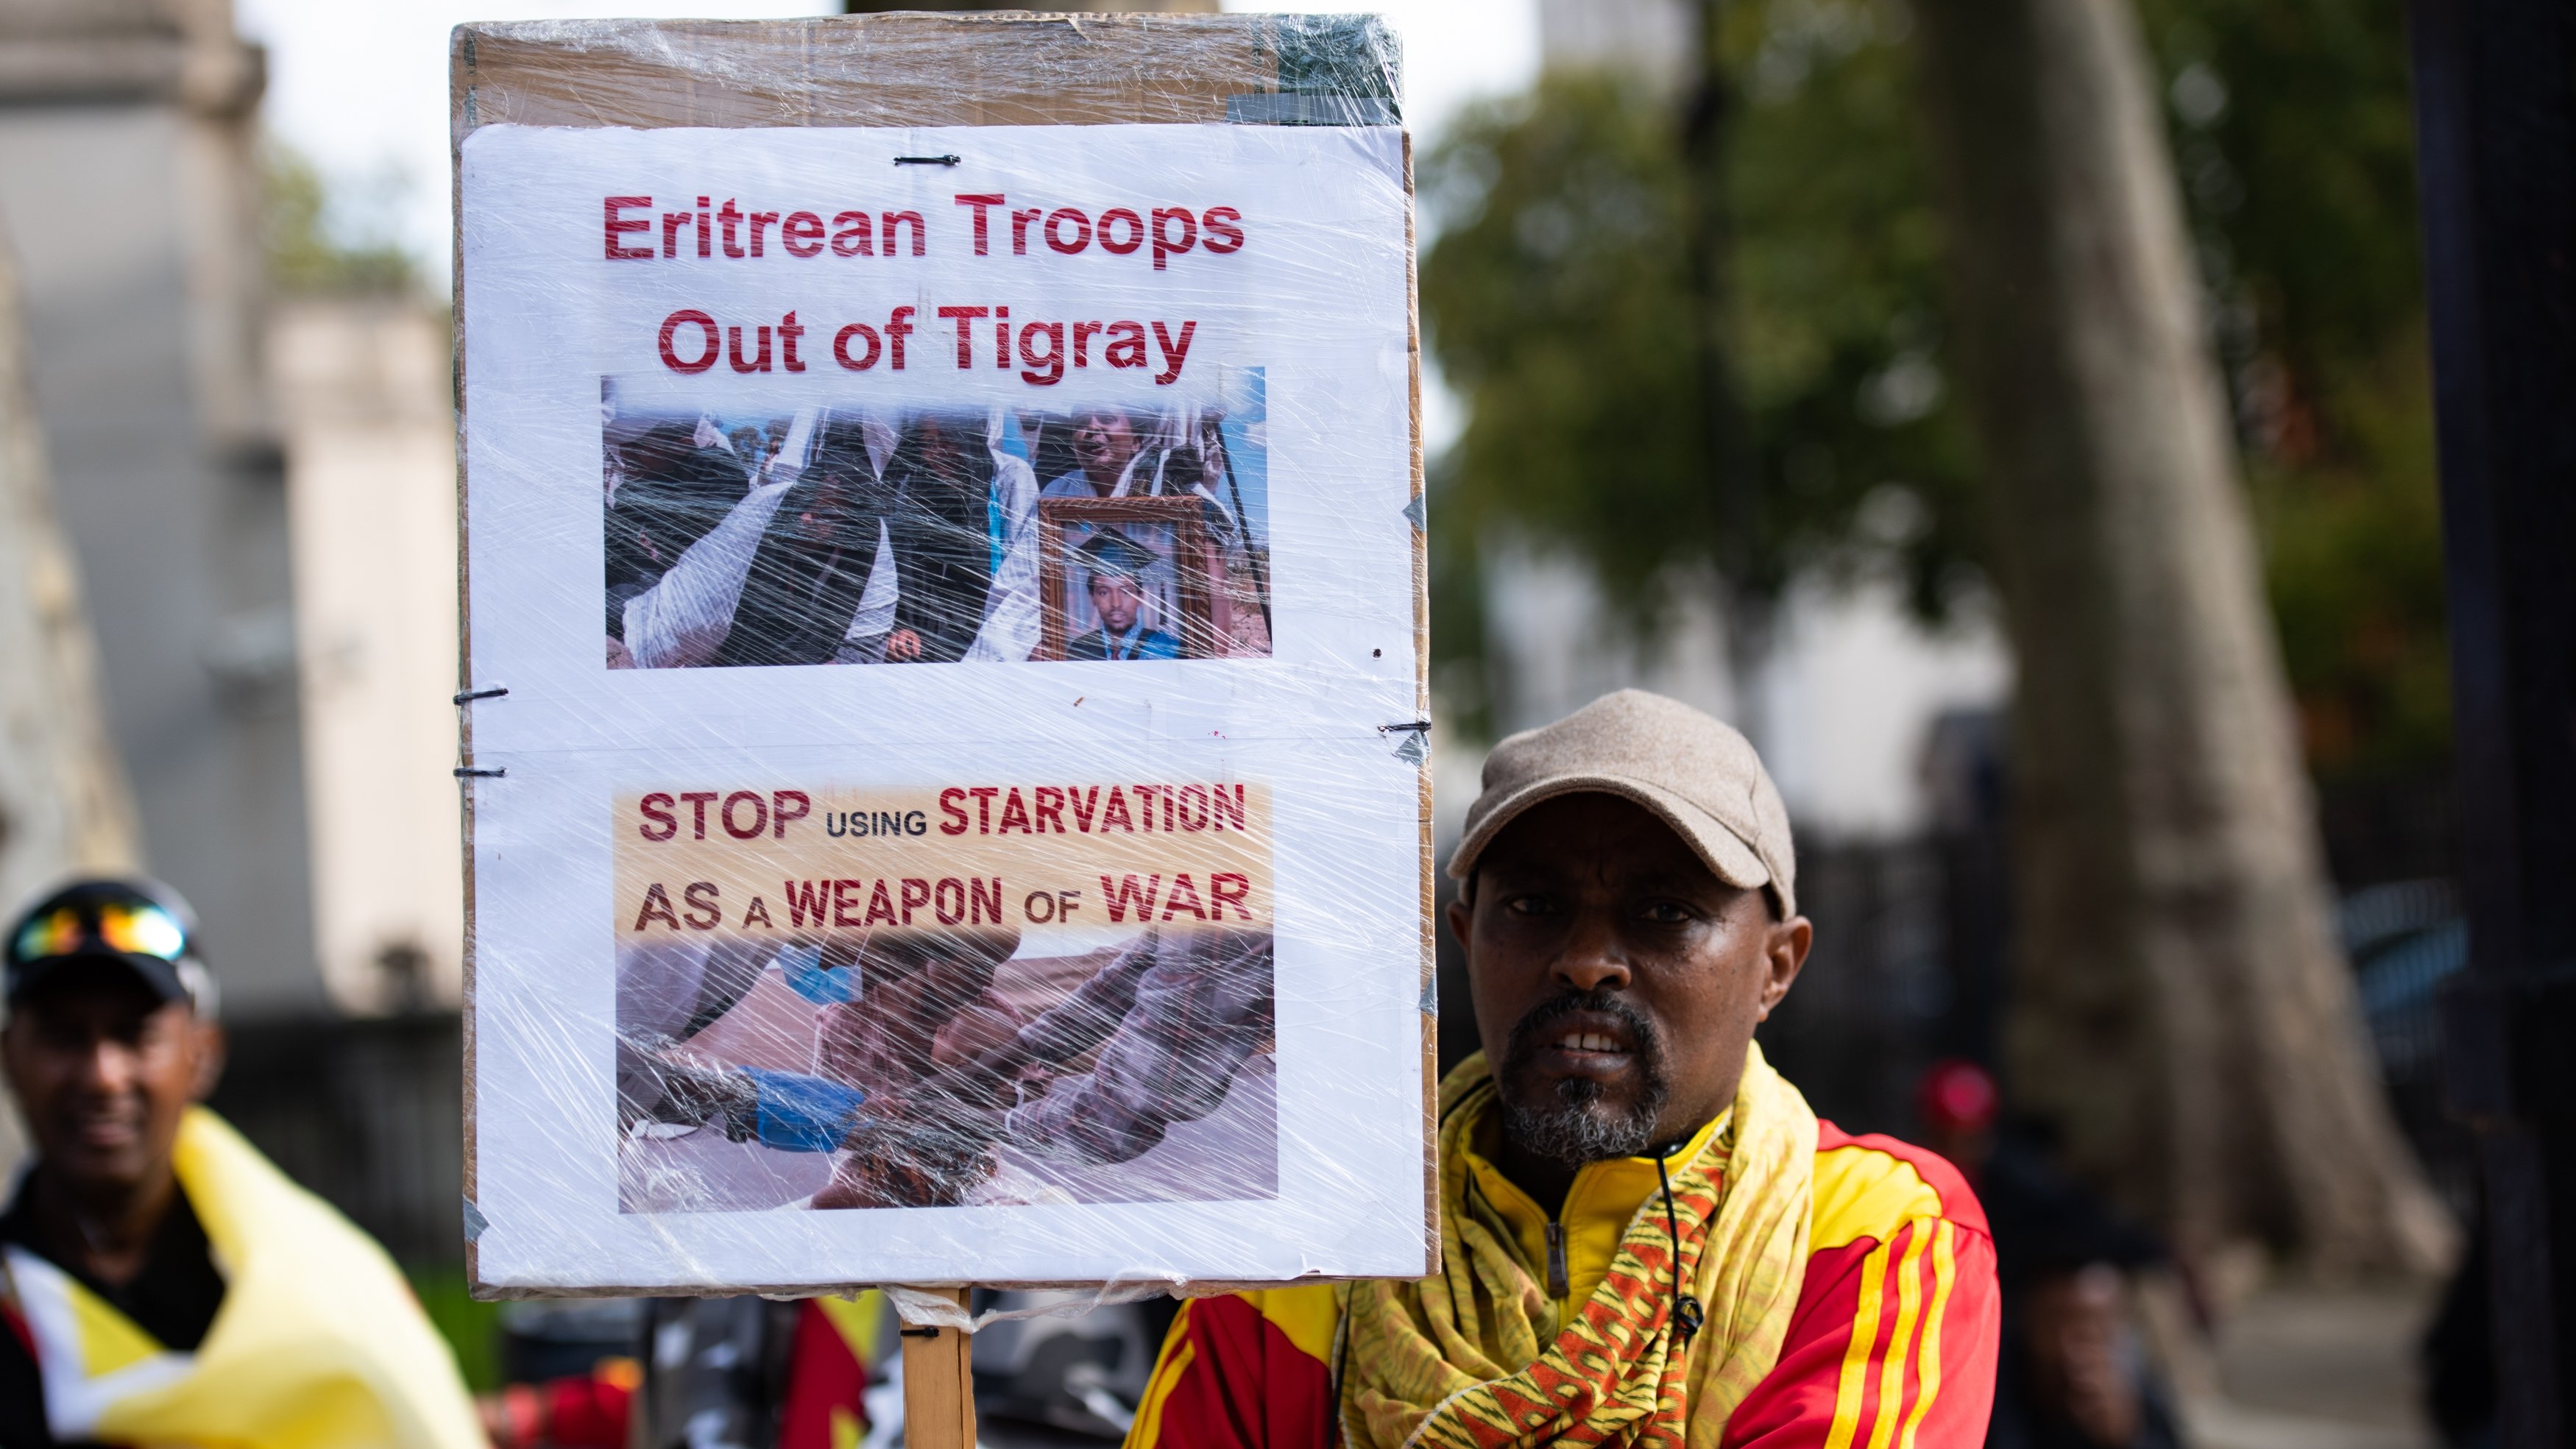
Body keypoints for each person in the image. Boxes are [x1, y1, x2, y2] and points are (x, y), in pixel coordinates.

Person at [1125, 690, 2000, 1448]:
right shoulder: (1306, 1257)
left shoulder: (1875, 1233)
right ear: (1465, 939)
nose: (1586, 961)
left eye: (1663, 910)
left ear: (1775, 967)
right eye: (1533, 905)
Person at [0, 877, 484, 1448]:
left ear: (202, 1055)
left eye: (135, 1035)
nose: (103, 1074)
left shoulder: (328, 1281)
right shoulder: (13, 1306)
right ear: (10, 1057)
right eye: (63, 1038)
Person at [1064, 532, 1183, 662]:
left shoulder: (1166, 649)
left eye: (1126, 592)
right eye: (1104, 592)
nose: (1116, 603)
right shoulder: (1080, 651)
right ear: (1092, 597)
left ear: (1140, 596)